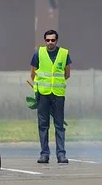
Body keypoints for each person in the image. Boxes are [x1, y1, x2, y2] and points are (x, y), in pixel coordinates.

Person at [31, 29, 72, 164]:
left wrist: (55, 84)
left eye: (52, 40)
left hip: (58, 95)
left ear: (56, 41)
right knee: (43, 125)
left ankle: (61, 154)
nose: (50, 42)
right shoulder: (38, 53)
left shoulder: (64, 54)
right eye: (48, 40)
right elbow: (33, 74)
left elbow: (67, 74)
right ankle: (44, 154)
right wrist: (41, 87)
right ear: (45, 41)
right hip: (43, 95)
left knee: (59, 125)